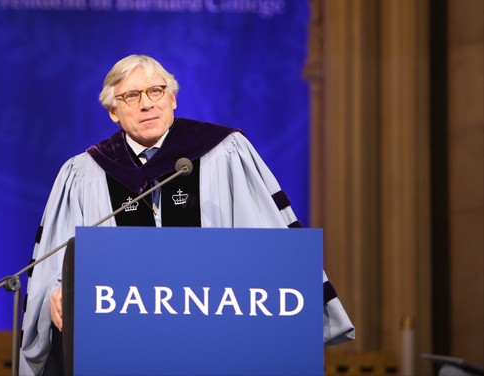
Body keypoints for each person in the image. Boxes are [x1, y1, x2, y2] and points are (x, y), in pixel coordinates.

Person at [19, 54, 355, 375]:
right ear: (112, 112)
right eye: (131, 96)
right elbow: (57, 258)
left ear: (173, 99)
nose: (147, 103)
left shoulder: (224, 152)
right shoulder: (84, 173)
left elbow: (266, 240)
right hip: (120, 346)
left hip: (215, 338)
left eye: (156, 90)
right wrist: (59, 290)